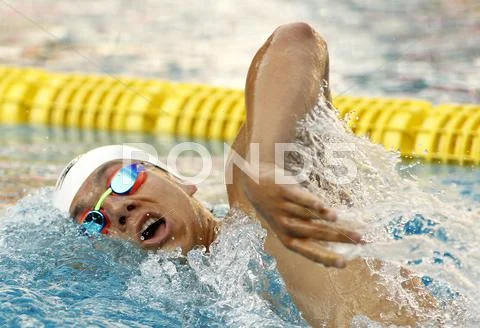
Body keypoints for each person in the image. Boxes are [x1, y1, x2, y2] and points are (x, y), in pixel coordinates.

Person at [54, 23, 435, 327]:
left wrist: (267, 168)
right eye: (93, 219)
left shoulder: (257, 205)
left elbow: (295, 40)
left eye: (122, 179)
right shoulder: (193, 303)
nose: (117, 209)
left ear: (179, 179)